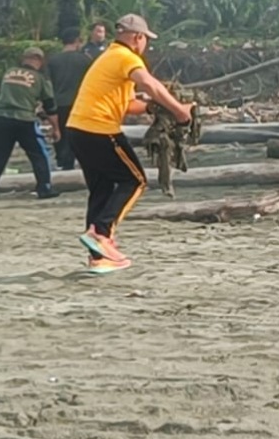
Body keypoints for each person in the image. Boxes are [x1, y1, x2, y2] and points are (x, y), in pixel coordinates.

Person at [66, 14, 193, 275]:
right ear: (138, 37)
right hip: (99, 129)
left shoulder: (110, 57)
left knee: (101, 189)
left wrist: (153, 108)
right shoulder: (126, 57)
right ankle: (101, 234)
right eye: (146, 39)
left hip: (78, 129)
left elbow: (126, 105)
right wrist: (180, 111)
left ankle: (99, 257)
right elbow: (149, 83)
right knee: (134, 180)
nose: (146, 44)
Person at [0, 48, 59, 200]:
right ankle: (44, 188)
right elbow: (50, 106)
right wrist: (56, 128)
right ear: (39, 60)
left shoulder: (8, 73)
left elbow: (1, 96)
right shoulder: (40, 78)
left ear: (23, 59)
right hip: (24, 119)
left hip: (0, 118)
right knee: (38, 154)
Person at [46, 28, 92, 170]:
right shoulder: (85, 60)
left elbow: (48, 84)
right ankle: (77, 163)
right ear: (77, 41)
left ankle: (63, 162)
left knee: (60, 133)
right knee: (78, 135)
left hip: (58, 103)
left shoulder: (52, 60)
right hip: (79, 104)